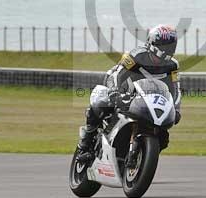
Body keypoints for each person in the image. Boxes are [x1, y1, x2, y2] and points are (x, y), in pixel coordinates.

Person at [77, 24, 182, 159]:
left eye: (170, 47)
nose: (167, 51)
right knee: (101, 100)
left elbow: (175, 89)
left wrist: (176, 109)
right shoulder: (136, 55)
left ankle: (141, 159)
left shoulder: (173, 65)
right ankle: (85, 142)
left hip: (147, 99)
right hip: (122, 88)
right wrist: (115, 92)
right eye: (164, 47)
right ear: (152, 43)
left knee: (163, 135)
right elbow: (117, 75)